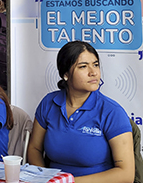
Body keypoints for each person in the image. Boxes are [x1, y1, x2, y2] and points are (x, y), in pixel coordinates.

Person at [27, 41, 134, 182]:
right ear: (65, 74)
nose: (93, 72)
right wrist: (46, 178)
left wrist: (69, 182)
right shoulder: (49, 103)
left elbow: (126, 174)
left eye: (95, 65)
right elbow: (34, 149)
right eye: (83, 67)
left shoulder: (112, 112)